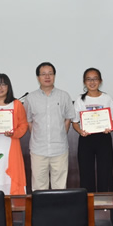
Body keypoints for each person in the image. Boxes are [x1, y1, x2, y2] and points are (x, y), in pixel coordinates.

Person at [24, 62, 75, 190]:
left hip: (59, 149)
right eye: (43, 74)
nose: (47, 77)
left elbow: (68, 119)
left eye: (50, 74)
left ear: (54, 76)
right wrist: (38, 136)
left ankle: (59, 205)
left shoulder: (64, 96)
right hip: (38, 149)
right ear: (38, 77)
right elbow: (29, 121)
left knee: (60, 187)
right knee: (39, 187)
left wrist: (60, 134)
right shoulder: (30, 98)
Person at [72, 68, 113, 192]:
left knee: (105, 172)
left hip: (103, 137)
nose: (92, 82)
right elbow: (74, 122)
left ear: (100, 81)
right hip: (86, 138)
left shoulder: (107, 98)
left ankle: (106, 200)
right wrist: (80, 131)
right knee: (86, 172)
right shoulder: (80, 99)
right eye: (89, 79)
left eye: (95, 79)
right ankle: (88, 200)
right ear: (84, 82)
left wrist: (109, 127)